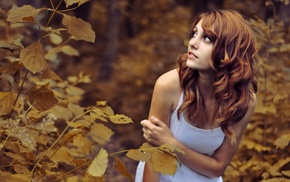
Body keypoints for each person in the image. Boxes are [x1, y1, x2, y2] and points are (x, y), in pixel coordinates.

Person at [135, 9, 259, 182]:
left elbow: (217, 168)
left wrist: (171, 143)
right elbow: (153, 155)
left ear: (229, 50)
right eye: (194, 34)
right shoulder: (169, 85)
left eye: (206, 38)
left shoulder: (244, 101)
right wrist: (163, 143)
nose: (193, 43)